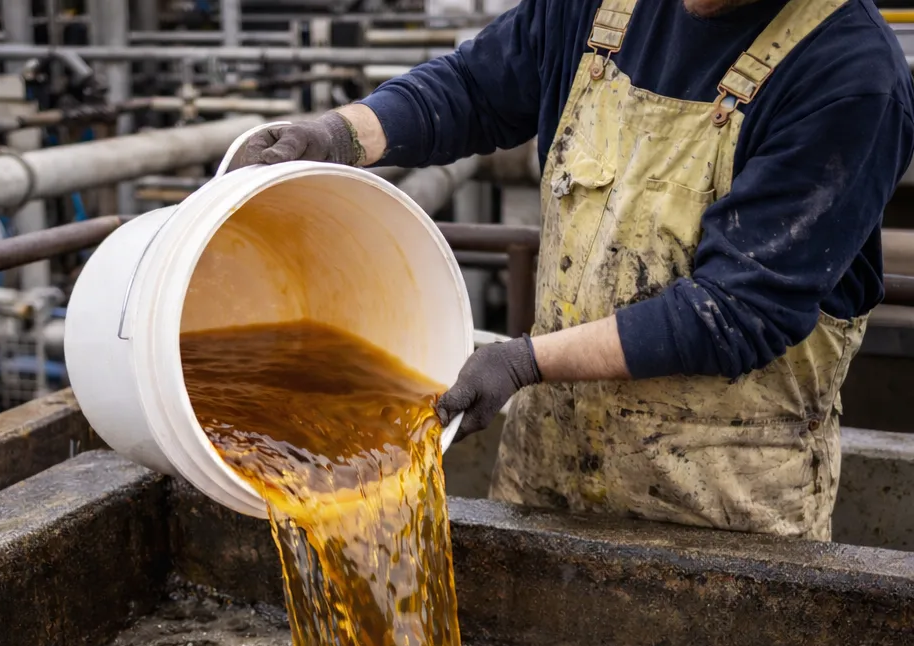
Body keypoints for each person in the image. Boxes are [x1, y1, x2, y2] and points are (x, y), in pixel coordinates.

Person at [234, 0, 914, 540]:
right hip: (549, 478)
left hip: (720, 514)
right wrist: (339, 135)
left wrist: (524, 362)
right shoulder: (597, 9)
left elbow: (735, 311)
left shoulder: (847, 72)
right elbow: (475, 88)